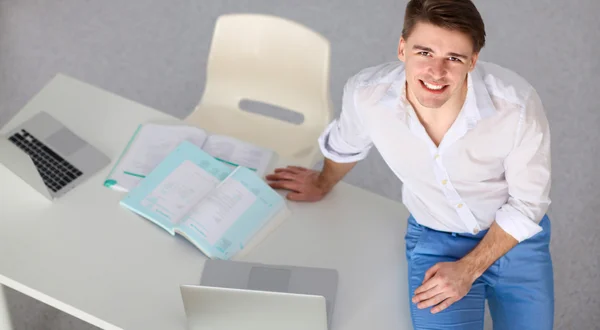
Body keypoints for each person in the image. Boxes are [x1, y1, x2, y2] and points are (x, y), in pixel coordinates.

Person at [266, 0, 554, 329]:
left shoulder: (516, 108)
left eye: (454, 58)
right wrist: (322, 182)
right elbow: (348, 144)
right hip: (435, 238)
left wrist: (468, 269)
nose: (436, 72)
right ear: (402, 48)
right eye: (424, 52)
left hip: (514, 238)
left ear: (473, 61)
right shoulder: (368, 96)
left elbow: (528, 204)